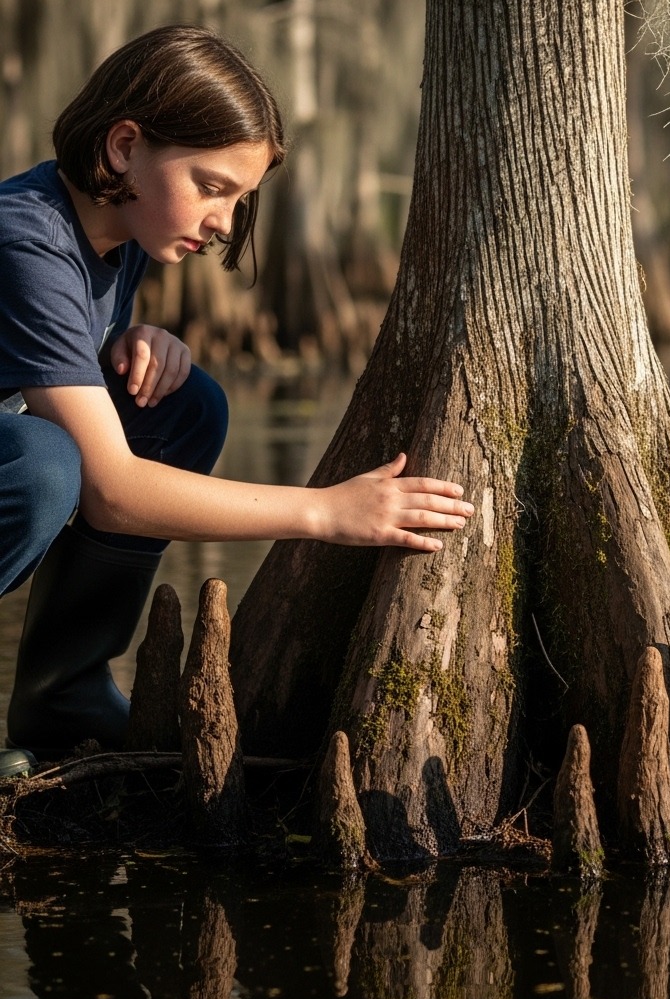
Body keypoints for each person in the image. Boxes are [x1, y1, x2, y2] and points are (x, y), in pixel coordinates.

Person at [0, 25, 473, 774]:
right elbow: (111, 492)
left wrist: (119, 343)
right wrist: (325, 512)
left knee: (183, 407)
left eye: (239, 198)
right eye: (212, 187)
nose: (224, 222)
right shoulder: (26, 239)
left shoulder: (113, 237)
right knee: (44, 467)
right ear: (124, 148)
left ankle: (64, 699)